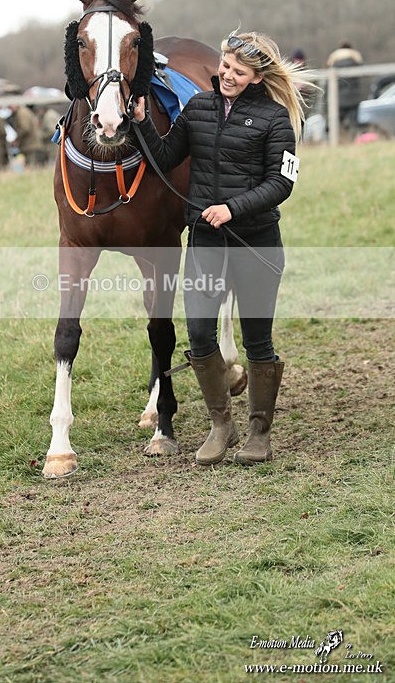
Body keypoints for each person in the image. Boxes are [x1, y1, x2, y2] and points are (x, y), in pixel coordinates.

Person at [132, 31, 314, 466]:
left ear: (256, 77)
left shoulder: (275, 120)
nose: (228, 74)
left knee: (257, 342)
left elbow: (282, 183)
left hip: (257, 244)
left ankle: (259, 433)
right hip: (206, 243)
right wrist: (140, 121)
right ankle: (220, 424)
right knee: (197, 333)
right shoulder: (198, 107)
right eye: (226, 65)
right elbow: (165, 155)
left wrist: (232, 209)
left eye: (239, 71)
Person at [326, 41, 364, 134]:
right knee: (354, 124)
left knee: (334, 124)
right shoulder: (356, 60)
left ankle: (333, 141)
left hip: (338, 99)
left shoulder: (334, 62)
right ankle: (354, 141)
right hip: (354, 98)